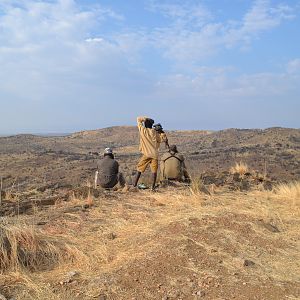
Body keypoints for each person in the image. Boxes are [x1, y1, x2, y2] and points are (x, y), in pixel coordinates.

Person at [133, 116, 169, 191]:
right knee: (154, 171)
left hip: (146, 154)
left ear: (145, 124)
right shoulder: (155, 133)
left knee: (139, 169)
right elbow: (161, 140)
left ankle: (134, 185)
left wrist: (146, 119)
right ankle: (152, 188)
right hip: (155, 154)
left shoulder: (143, 130)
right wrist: (161, 132)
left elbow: (138, 119)